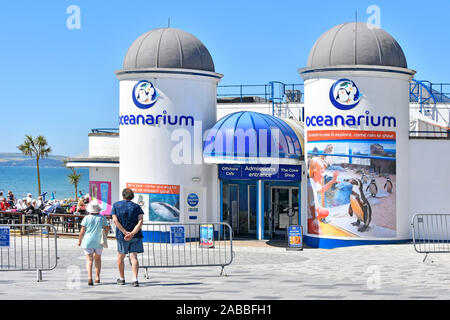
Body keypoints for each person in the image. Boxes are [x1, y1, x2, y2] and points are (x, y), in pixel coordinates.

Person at [111, 188, 144, 287]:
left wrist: (125, 232)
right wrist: (132, 233)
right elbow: (140, 221)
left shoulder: (116, 205)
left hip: (122, 236)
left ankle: (122, 278)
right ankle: (135, 279)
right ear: (132, 196)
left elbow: (115, 221)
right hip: (136, 235)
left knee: (121, 256)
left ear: (123, 195)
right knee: (134, 257)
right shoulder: (137, 207)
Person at [77, 203, 110, 286]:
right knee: (98, 259)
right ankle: (97, 277)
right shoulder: (102, 218)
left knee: (89, 260)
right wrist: (105, 236)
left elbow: (82, 231)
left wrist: (79, 241)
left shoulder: (86, 218)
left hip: (88, 241)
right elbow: (107, 228)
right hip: (99, 241)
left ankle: (89, 277)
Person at [307, 156, 340, 235]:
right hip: (310, 216)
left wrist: (332, 180)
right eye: (322, 172)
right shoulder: (310, 186)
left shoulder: (313, 181)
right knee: (320, 235)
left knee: (326, 212)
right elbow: (312, 205)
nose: (324, 174)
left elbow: (322, 189)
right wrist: (314, 220)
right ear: (315, 172)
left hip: (315, 210)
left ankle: (317, 219)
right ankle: (310, 226)